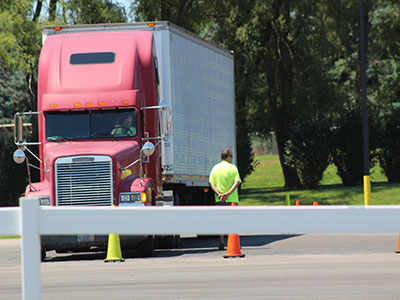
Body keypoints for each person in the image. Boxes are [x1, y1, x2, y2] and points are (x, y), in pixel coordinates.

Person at [209, 149, 242, 250]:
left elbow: (211, 183)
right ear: (228, 157)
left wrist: (219, 194)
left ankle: (221, 242)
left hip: (219, 200)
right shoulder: (233, 168)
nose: (232, 158)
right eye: (231, 156)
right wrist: (228, 194)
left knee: (221, 221)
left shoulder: (215, 168)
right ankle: (232, 243)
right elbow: (237, 182)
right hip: (231, 199)